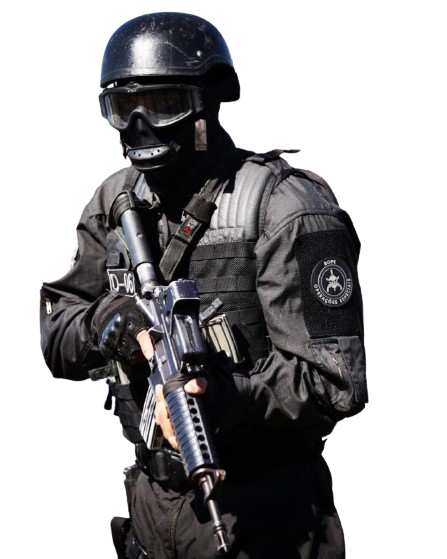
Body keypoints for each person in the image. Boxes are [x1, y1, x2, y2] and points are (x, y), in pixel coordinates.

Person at [39, 11, 367, 559]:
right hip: (150, 503)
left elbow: (337, 382)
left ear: (206, 104)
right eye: (124, 108)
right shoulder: (112, 200)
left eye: (164, 104)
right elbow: (55, 332)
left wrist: (228, 396)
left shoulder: (285, 208)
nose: (141, 124)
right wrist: (107, 323)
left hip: (267, 512)